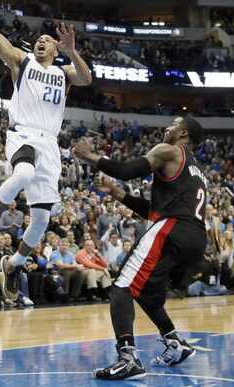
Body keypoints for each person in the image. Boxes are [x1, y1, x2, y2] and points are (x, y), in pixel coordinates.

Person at [0, 0, 92, 299]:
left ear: (55, 50)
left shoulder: (65, 72)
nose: (40, 42)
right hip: (22, 135)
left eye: (47, 41)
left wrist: (72, 50)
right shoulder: (21, 63)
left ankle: (15, 263)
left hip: (49, 144)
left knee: (41, 219)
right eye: (38, 40)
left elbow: (86, 79)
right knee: (21, 173)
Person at [74, 116, 207, 380]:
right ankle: (175, 342)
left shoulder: (168, 150)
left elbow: (126, 170)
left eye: (174, 123)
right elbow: (154, 211)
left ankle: (128, 358)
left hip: (173, 229)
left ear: (183, 134)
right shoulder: (195, 170)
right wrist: (118, 194)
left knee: (121, 285)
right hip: (195, 238)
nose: (167, 127)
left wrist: (89, 156)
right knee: (146, 293)